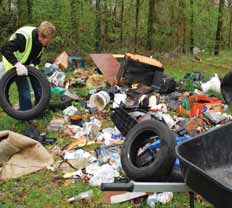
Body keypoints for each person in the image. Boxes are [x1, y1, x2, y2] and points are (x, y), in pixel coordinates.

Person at [0, 21, 56, 110]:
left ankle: (41, 108)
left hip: (28, 64)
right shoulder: (23, 38)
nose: (49, 42)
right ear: (40, 37)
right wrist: (17, 64)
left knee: (39, 83)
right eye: (48, 40)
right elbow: (4, 49)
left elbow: (38, 54)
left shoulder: (43, 42)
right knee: (24, 89)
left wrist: (34, 63)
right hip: (13, 63)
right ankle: (26, 114)